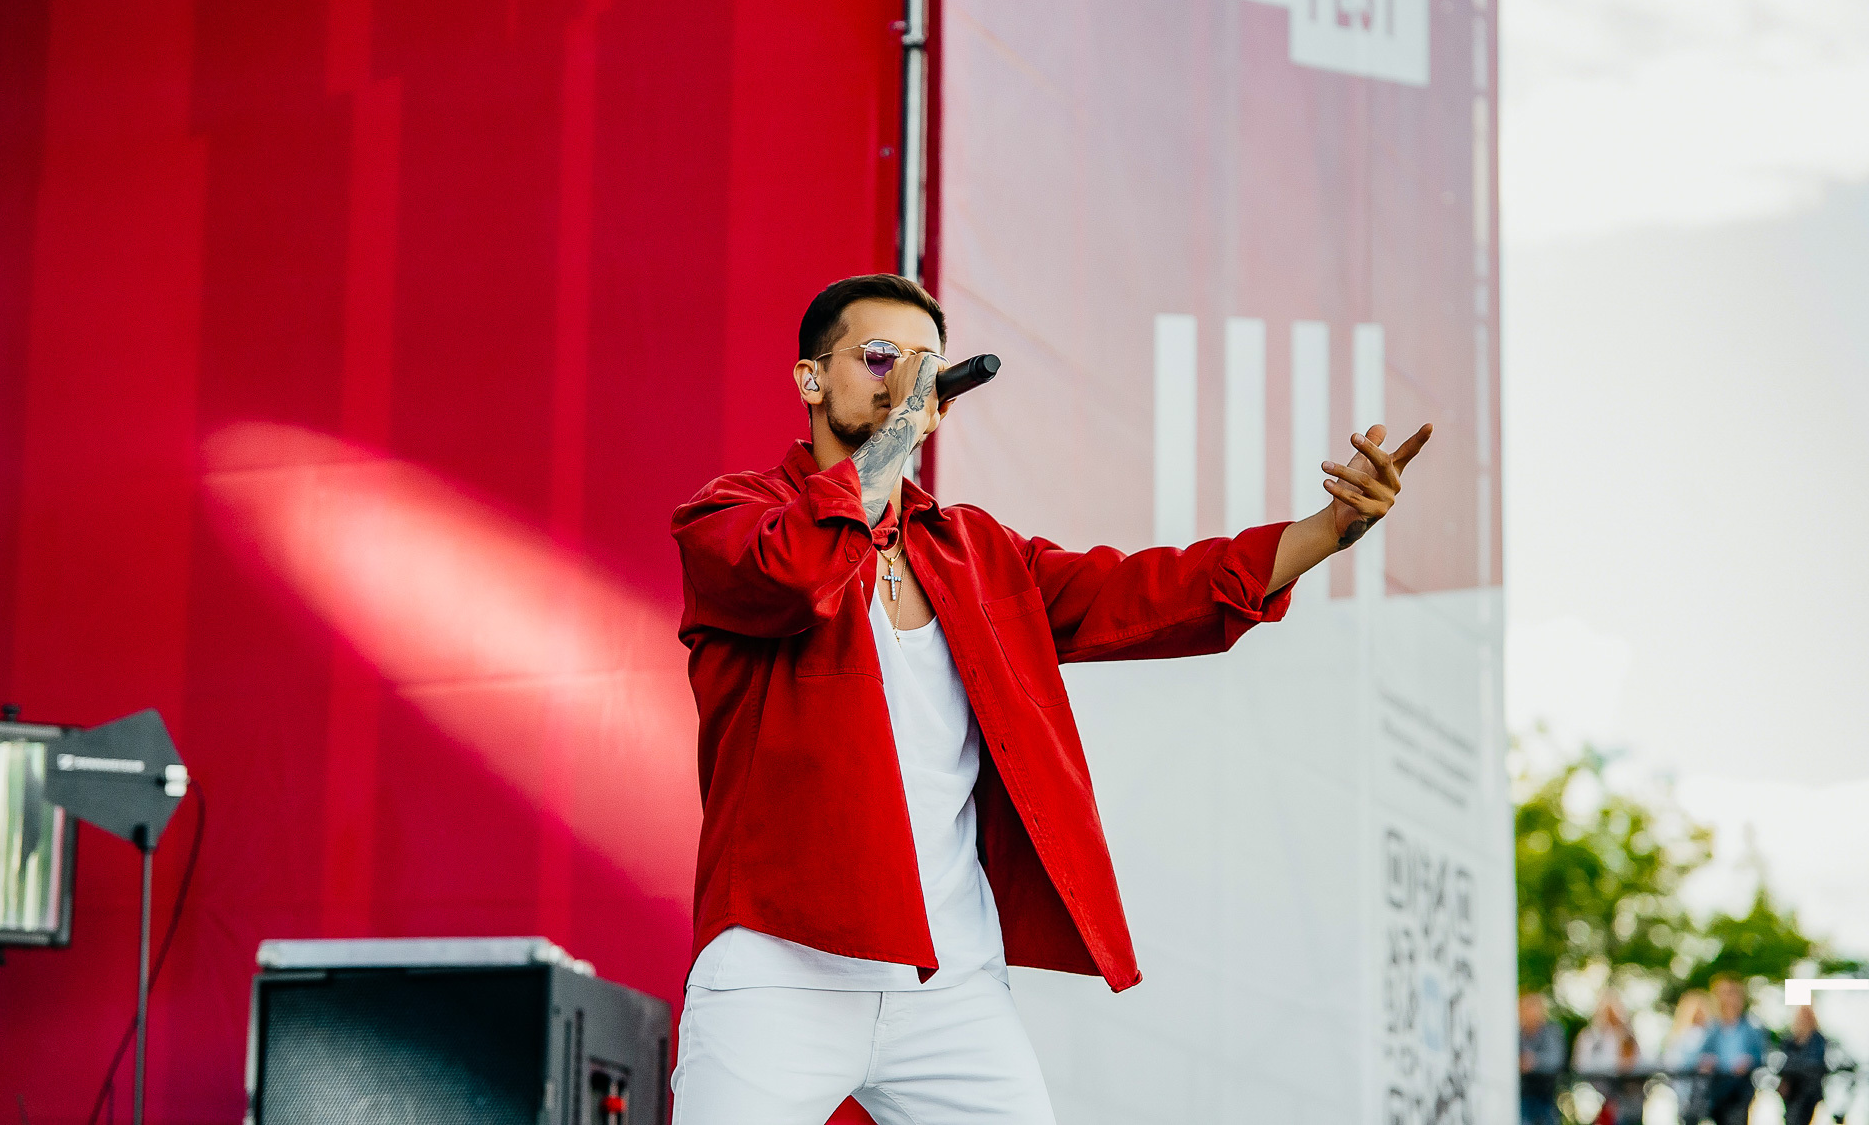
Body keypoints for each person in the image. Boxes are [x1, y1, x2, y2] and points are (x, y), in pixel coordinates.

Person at [666, 275, 1432, 1123]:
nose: (905, 381)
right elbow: (795, 573)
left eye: (925, 367)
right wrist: (893, 441)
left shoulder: (976, 554)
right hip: (780, 964)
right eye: (880, 358)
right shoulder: (729, 516)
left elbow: (1145, 594)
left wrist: (1327, 532)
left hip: (947, 980)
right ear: (811, 378)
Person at [1696, 975, 1767, 1125]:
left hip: (1740, 1088)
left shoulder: (1751, 1027)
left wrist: (1749, 1061)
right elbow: (1702, 1054)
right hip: (1717, 1088)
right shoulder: (1712, 1028)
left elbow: (1760, 1055)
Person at [1574, 989, 1645, 1124]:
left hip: (1626, 1100)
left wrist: (1629, 1065)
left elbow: (1640, 1062)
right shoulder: (1589, 1037)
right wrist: (1616, 1065)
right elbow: (1581, 1065)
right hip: (1595, 1097)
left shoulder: (1628, 1037)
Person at [1662, 990, 1713, 1123]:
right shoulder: (1680, 1036)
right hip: (1684, 1086)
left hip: (1706, 1087)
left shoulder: (1711, 1034)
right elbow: (1672, 1061)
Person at [1519, 992, 1568, 1125]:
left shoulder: (1552, 1032)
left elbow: (1556, 1060)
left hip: (1547, 1094)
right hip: (1523, 1094)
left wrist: (1534, 1061)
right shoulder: (1517, 1034)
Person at [1777, 1005, 1829, 1125]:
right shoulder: (1790, 1041)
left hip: (1808, 1092)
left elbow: (1814, 1065)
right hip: (1791, 1091)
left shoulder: (1818, 1041)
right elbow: (1783, 1064)